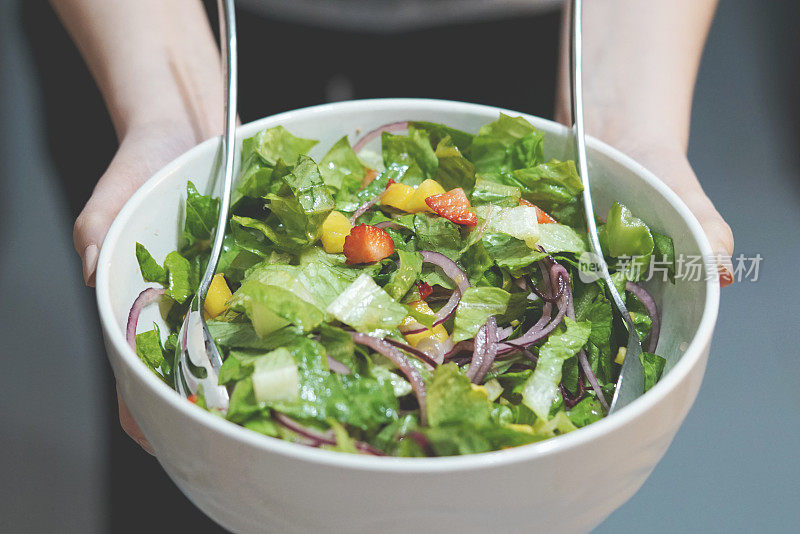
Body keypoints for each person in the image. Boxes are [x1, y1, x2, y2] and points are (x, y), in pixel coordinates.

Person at [50, 0, 733, 454]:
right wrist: (170, 108)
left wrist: (626, 132)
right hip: (170, 26)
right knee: (175, 472)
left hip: (547, 27)